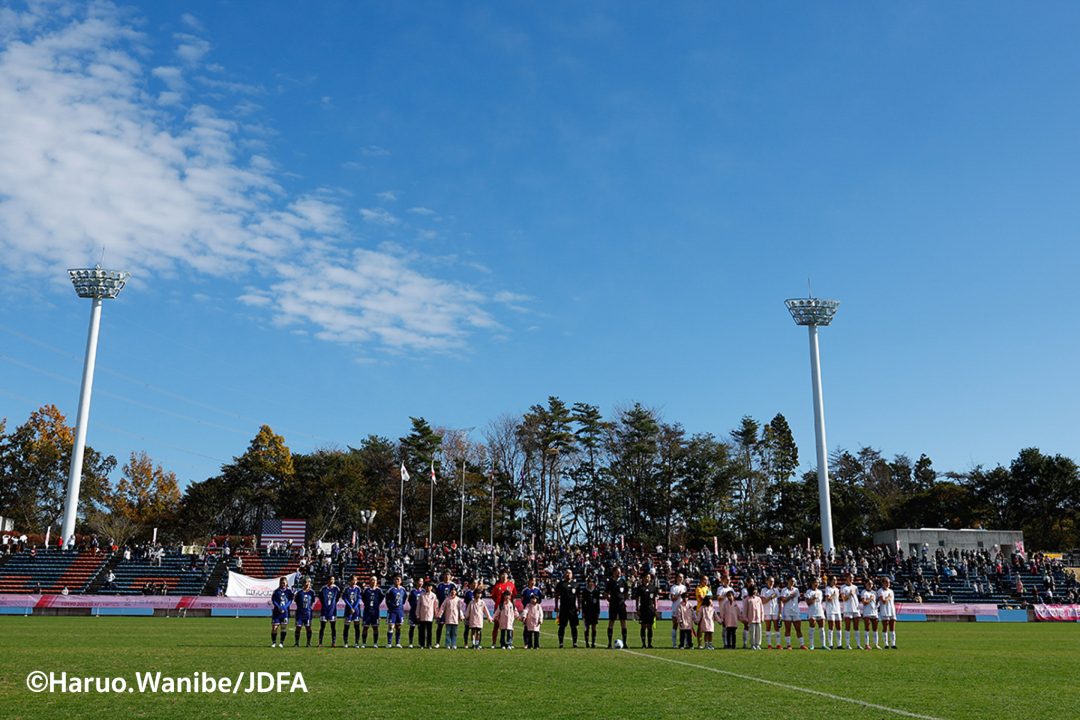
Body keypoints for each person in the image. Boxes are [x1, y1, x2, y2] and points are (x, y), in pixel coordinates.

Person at [605, 566, 630, 649]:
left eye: (620, 571)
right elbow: (606, 593)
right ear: (614, 572)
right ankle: (609, 644)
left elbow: (626, 594)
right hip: (613, 605)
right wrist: (610, 600)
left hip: (621, 605)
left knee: (623, 622)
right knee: (611, 622)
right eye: (617, 571)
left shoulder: (623, 581)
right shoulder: (610, 582)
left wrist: (622, 600)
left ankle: (625, 643)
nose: (619, 573)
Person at [553, 569, 580, 648]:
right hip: (563, 608)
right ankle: (561, 643)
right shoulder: (561, 584)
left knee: (574, 626)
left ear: (572, 574)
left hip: (573, 609)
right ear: (564, 574)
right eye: (567, 573)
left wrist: (579, 606)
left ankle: (575, 643)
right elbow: (556, 596)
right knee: (562, 626)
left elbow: (578, 597)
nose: (568, 574)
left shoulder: (576, 584)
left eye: (570, 573)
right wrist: (556, 606)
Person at [490, 572, 517, 649]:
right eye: (502, 575)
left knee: (510, 626)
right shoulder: (497, 585)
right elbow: (493, 596)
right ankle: (494, 643)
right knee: (496, 627)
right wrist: (499, 603)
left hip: (509, 608)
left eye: (505, 575)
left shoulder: (511, 585)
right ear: (500, 576)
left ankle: (510, 643)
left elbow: (514, 595)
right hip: (500, 608)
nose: (503, 576)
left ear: (507, 576)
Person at [780, 576, 806, 650]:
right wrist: (790, 597)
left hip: (796, 611)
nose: (793, 582)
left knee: (798, 629)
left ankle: (802, 644)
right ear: (788, 581)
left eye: (794, 581)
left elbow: (797, 600)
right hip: (787, 611)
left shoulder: (796, 590)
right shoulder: (784, 590)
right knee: (788, 629)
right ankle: (788, 645)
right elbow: (783, 600)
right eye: (791, 581)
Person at [635, 571, 659, 648]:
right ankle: (643, 644)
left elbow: (655, 599)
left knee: (649, 627)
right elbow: (637, 599)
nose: (648, 578)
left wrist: (656, 609)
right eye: (646, 577)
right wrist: (637, 609)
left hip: (650, 610)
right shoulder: (640, 588)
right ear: (643, 578)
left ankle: (649, 644)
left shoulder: (653, 588)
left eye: (649, 577)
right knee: (643, 626)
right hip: (642, 609)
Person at [434, 571, 457, 649]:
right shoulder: (439, 585)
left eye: (448, 575)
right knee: (440, 626)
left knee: (450, 628)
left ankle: (450, 643)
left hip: (450, 610)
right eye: (445, 575)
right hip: (442, 609)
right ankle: (437, 642)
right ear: (443, 576)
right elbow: (436, 598)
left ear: (450, 576)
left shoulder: (453, 585)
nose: (447, 576)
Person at [318, 575, 341, 648]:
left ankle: (333, 642)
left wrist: (332, 604)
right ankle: (320, 643)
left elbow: (337, 598)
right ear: (328, 580)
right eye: (331, 579)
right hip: (324, 610)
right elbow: (320, 598)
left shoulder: (336, 588)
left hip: (332, 610)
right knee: (322, 627)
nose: (332, 581)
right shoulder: (323, 588)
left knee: (333, 627)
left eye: (333, 579)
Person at [361, 575, 384, 648]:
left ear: (377, 582)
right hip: (367, 612)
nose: (373, 581)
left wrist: (376, 604)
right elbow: (363, 598)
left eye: (375, 580)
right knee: (365, 627)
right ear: (370, 581)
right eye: (372, 580)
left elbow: (381, 599)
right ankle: (364, 643)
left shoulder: (379, 590)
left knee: (375, 628)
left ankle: (375, 643)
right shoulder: (366, 590)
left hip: (375, 612)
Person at [385, 575, 407, 648]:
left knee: (398, 627)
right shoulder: (391, 590)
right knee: (391, 626)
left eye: (398, 579)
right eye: (395, 579)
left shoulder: (403, 590)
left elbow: (404, 599)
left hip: (400, 611)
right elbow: (387, 600)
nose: (397, 581)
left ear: (401, 581)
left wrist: (400, 606)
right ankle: (389, 643)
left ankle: (397, 643)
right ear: (393, 581)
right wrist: (391, 607)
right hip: (392, 611)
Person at [270, 577, 294, 648]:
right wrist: (278, 607)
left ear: (286, 583)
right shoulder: (276, 591)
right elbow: (273, 600)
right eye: (281, 583)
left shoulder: (289, 592)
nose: (283, 584)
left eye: (284, 583)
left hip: (285, 613)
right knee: (274, 627)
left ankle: (281, 643)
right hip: (277, 612)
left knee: (283, 627)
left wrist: (285, 607)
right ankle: (274, 642)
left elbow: (290, 600)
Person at [805, 577, 826, 650]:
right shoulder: (808, 592)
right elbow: (808, 603)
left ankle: (823, 645)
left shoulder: (820, 592)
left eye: (817, 582)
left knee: (822, 629)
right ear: (812, 583)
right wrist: (813, 598)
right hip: (812, 611)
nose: (816, 584)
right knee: (812, 628)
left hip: (820, 611)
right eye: (815, 582)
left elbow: (820, 602)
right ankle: (811, 645)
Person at [840, 573, 860, 650]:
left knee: (856, 627)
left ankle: (858, 644)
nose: (852, 579)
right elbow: (844, 598)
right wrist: (849, 594)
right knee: (847, 627)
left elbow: (856, 598)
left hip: (855, 609)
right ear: (846, 578)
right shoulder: (843, 587)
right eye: (850, 577)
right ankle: (848, 645)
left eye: (852, 577)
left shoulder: (855, 587)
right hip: (848, 609)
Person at [293, 579, 316, 647]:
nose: (307, 583)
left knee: (308, 627)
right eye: (306, 582)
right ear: (303, 583)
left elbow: (312, 602)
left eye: (309, 582)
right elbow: (296, 601)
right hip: (299, 613)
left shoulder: (312, 593)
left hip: (308, 613)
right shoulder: (299, 592)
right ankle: (297, 643)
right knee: (298, 627)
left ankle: (308, 643)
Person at [341, 576, 362, 648]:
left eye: (356, 580)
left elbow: (359, 599)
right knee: (347, 626)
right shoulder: (346, 589)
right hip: (348, 610)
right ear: (350, 581)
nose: (355, 581)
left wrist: (354, 608)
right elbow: (345, 598)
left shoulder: (358, 588)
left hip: (356, 610)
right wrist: (350, 607)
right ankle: (345, 643)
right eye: (353, 580)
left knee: (357, 626)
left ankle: (356, 643)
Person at [581, 576, 602, 648]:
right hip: (587, 612)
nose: (591, 583)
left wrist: (598, 612)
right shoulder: (585, 591)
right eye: (590, 582)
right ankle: (587, 643)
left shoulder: (596, 591)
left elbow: (598, 602)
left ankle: (593, 643)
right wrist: (583, 612)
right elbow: (583, 603)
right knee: (586, 627)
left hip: (594, 612)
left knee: (594, 627)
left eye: (592, 582)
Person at [416, 582, 438, 649]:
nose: (428, 588)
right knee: (422, 631)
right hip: (422, 615)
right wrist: (417, 615)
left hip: (430, 615)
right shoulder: (421, 595)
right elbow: (418, 606)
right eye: (427, 586)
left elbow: (435, 606)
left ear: (431, 588)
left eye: (429, 586)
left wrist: (436, 614)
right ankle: (422, 644)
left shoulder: (433, 595)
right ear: (425, 587)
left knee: (429, 631)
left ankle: (429, 644)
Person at [860, 577, 880, 650]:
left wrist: (877, 604)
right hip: (867, 612)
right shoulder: (863, 592)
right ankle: (866, 644)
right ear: (865, 584)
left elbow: (877, 603)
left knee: (875, 629)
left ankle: (876, 644)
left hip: (874, 612)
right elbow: (864, 602)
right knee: (867, 628)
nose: (871, 585)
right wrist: (870, 599)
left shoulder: (874, 593)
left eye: (871, 583)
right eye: (869, 583)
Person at [668, 573, 687, 649]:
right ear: (676, 578)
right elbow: (672, 599)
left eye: (682, 577)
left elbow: (685, 598)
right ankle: (674, 643)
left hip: (683, 609)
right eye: (679, 577)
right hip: (675, 608)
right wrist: (678, 595)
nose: (681, 578)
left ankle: (684, 643)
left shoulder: (684, 587)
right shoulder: (673, 587)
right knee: (675, 625)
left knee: (684, 626)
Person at [761, 576, 780, 649]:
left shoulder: (776, 590)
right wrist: (771, 597)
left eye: (773, 581)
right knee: (768, 627)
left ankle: (778, 644)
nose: (771, 583)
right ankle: (769, 644)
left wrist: (780, 612)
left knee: (776, 627)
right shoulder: (763, 590)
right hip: (767, 611)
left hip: (775, 611)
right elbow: (763, 601)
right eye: (770, 581)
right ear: (767, 581)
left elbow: (779, 601)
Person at [823, 574, 842, 650]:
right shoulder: (828, 589)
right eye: (833, 580)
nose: (835, 581)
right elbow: (828, 599)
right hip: (830, 609)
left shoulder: (837, 589)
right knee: (831, 626)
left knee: (839, 626)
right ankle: (830, 644)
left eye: (836, 580)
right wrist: (832, 595)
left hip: (837, 609)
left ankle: (839, 644)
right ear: (830, 581)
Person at [878, 577, 897, 649]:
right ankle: (886, 644)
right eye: (886, 582)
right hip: (885, 611)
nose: (888, 584)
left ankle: (893, 644)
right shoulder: (880, 591)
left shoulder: (891, 591)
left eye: (889, 582)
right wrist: (888, 597)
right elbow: (883, 601)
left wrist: (889, 598)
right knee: (885, 627)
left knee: (892, 627)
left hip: (892, 610)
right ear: (883, 583)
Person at [743, 585, 764, 650]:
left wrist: (762, 617)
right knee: (752, 632)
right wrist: (746, 619)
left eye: (756, 589)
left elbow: (761, 609)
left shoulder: (758, 599)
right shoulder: (747, 599)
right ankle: (753, 644)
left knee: (759, 632)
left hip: (758, 619)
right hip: (751, 619)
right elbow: (745, 610)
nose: (755, 591)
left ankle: (758, 644)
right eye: (753, 589)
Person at [407, 577, 424, 648]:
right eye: (420, 581)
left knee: (421, 629)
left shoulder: (424, 591)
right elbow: (409, 600)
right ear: (416, 582)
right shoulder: (412, 591)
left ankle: (420, 643)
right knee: (412, 627)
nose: (421, 583)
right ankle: (410, 643)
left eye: (422, 582)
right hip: (413, 613)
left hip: (421, 613)